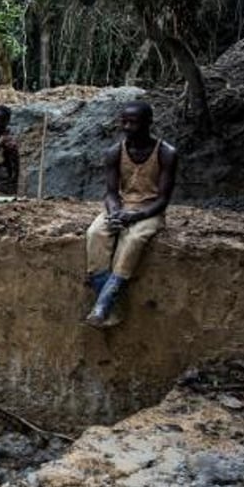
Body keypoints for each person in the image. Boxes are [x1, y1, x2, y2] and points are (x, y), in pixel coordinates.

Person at [84, 101, 178, 328]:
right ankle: (109, 306)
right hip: (123, 206)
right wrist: (116, 212)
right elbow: (110, 193)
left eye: (133, 122)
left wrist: (135, 217)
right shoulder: (114, 152)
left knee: (134, 239)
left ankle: (103, 305)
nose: (126, 127)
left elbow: (163, 200)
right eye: (124, 122)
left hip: (149, 210)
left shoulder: (166, 153)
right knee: (95, 232)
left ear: (148, 123)